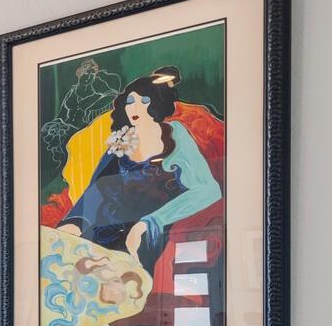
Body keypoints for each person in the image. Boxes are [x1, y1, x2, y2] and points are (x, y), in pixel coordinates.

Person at [55, 66, 221, 271]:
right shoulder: (122, 140)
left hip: (152, 232)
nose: (135, 109)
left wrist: (151, 222)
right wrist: (76, 223)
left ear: (158, 104)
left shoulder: (177, 135)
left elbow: (208, 189)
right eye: (130, 102)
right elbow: (97, 189)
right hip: (106, 230)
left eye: (144, 101)